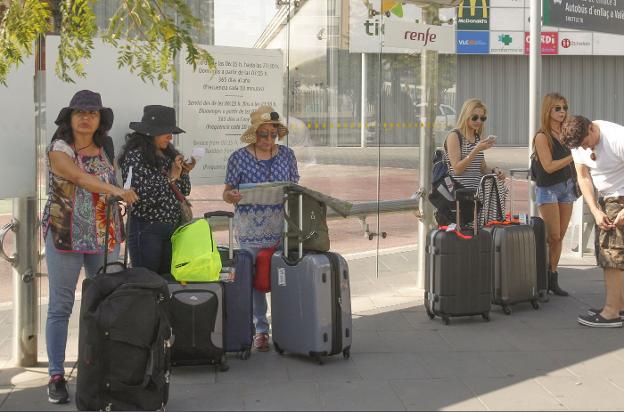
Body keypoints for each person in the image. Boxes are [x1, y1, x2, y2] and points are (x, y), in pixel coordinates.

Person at [42, 90, 138, 404]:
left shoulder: (106, 145)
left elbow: (114, 180)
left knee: (105, 305)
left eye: (92, 113)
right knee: (61, 306)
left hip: (104, 235)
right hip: (66, 236)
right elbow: (78, 178)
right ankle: (56, 375)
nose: (86, 118)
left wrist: (121, 192)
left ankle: (100, 369)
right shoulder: (60, 147)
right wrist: (115, 189)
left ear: (100, 119)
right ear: (70, 117)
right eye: (80, 112)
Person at [223, 105, 299, 352]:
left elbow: (295, 187)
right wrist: (232, 196)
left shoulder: (287, 155)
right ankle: (260, 330)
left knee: (282, 276)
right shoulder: (238, 158)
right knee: (256, 278)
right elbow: (226, 193)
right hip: (250, 230)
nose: (269, 140)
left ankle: (288, 326)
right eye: (263, 134)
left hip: (281, 226)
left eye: (273, 134)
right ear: (254, 134)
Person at [561, 115, 624, 328]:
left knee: (611, 254)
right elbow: (583, 176)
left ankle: (611, 312)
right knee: (607, 253)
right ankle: (619, 306)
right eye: (580, 147)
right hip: (605, 197)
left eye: (585, 143)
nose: (585, 150)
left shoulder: (617, 138)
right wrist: (595, 210)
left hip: (620, 196)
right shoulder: (577, 142)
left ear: (591, 128)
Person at [119, 105, 195, 277]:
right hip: (147, 228)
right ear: (150, 132)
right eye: (165, 132)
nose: (170, 136)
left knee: (168, 281)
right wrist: (171, 177)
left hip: (172, 228)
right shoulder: (135, 156)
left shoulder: (168, 154)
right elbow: (142, 197)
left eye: (171, 132)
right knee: (147, 282)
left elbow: (185, 191)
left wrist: (183, 172)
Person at [532, 93, 576, 296]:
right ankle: (541, 277)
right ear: (548, 110)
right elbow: (548, 167)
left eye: (564, 107)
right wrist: (571, 157)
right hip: (549, 187)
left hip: (567, 187)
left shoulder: (568, 133)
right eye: (557, 108)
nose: (562, 112)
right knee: (553, 236)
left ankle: (552, 277)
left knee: (560, 238)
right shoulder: (542, 136)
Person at [444, 98, 506, 226]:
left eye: (482, 118)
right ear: (466, 116)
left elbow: (482, 167)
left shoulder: (477, 137)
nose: (479, 121)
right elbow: (457, 169)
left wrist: (495, 171)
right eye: (475, 117)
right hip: (461, 193)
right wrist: (476, 149)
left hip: (477, 193)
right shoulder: (454, 136)